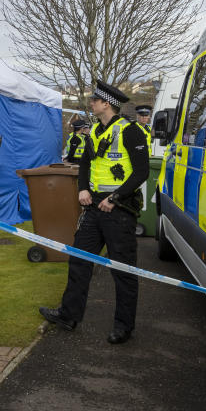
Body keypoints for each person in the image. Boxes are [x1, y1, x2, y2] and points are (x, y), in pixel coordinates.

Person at [39, 80, 150, 344]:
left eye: (95, 100)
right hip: (93, 206)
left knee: (122, 270)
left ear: (107, 104)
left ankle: (124, 326)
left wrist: (115, 197)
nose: (91, 103)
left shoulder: (130, 131)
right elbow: (86, 164)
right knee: (79, 260)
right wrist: (82, 189)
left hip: (119, 209)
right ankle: (68, 315)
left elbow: (142, 172)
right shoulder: (95, 132)